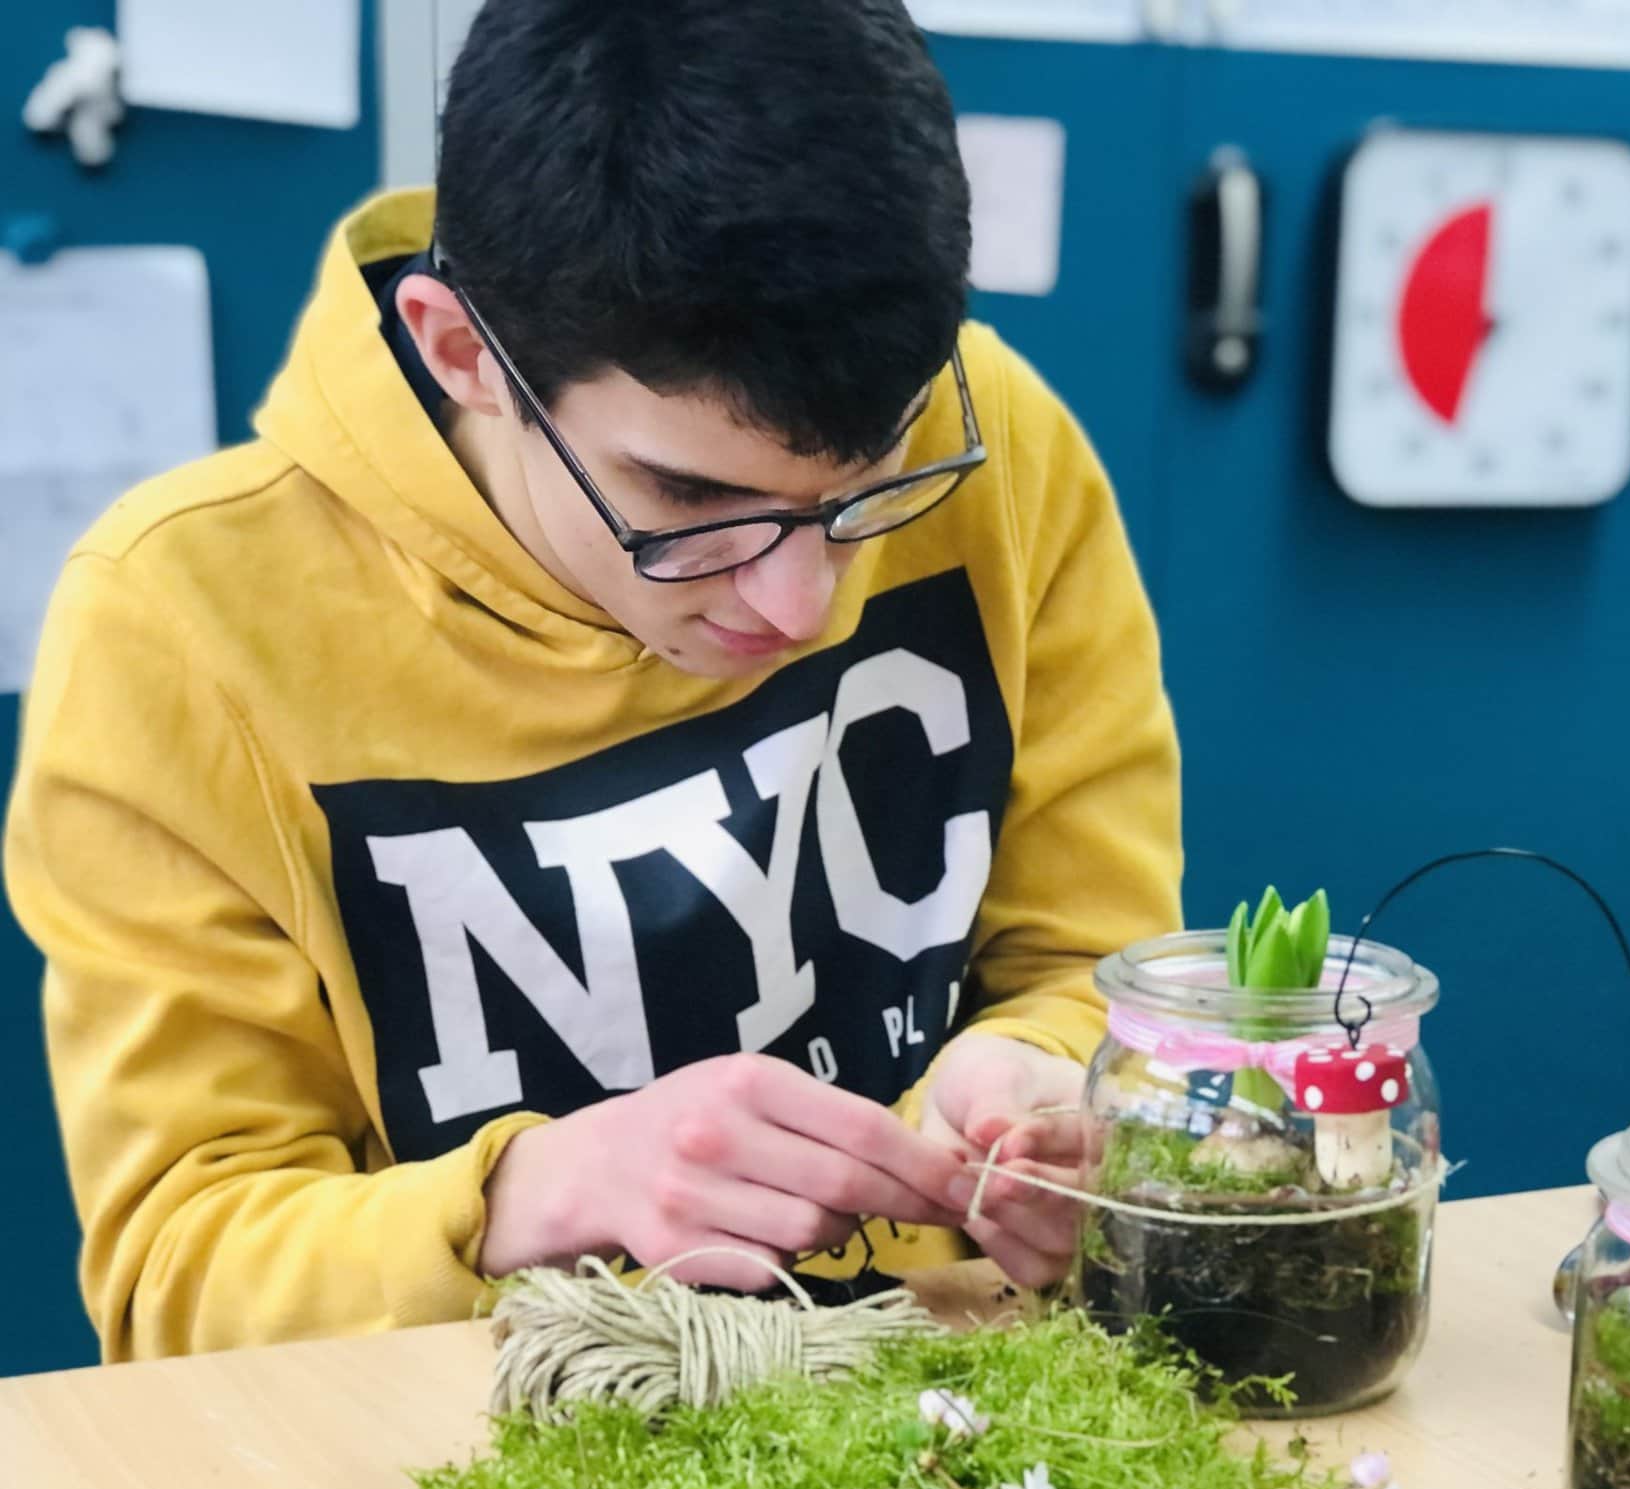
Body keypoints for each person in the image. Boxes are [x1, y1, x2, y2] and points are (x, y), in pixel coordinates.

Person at [3, 0, 1181, 1361]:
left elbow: (1104, 980)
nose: (800, 600)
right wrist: (536, 1193)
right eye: (689, 498)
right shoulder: (182, 624)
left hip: (952, 1428)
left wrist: (1045, 1083)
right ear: (462, 352)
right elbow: (180, 1279)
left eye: (869, 490)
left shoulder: (1000, 443)